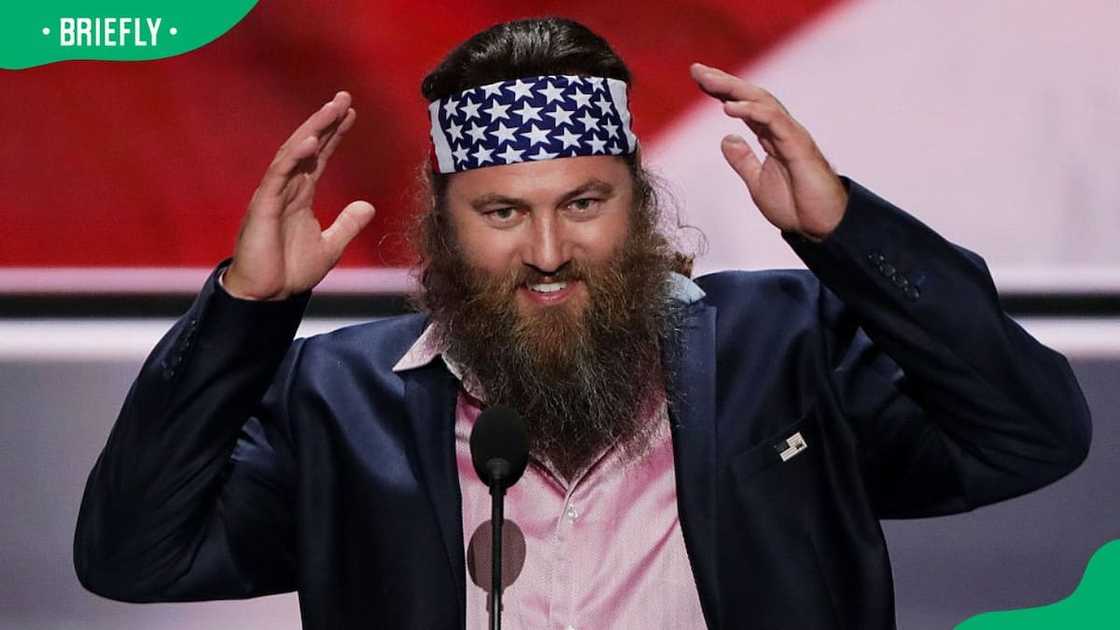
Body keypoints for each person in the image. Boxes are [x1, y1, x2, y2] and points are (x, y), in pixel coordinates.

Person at [74, 17, 1091, 630]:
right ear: (443, 224)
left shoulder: (784, 346)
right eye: (504, 213)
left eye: (585, 204)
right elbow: (135, 559)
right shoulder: (338, 399)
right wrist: (245, 313)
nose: (550, 251)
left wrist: (845, 234)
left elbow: (1029, 435)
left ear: (637, 204)